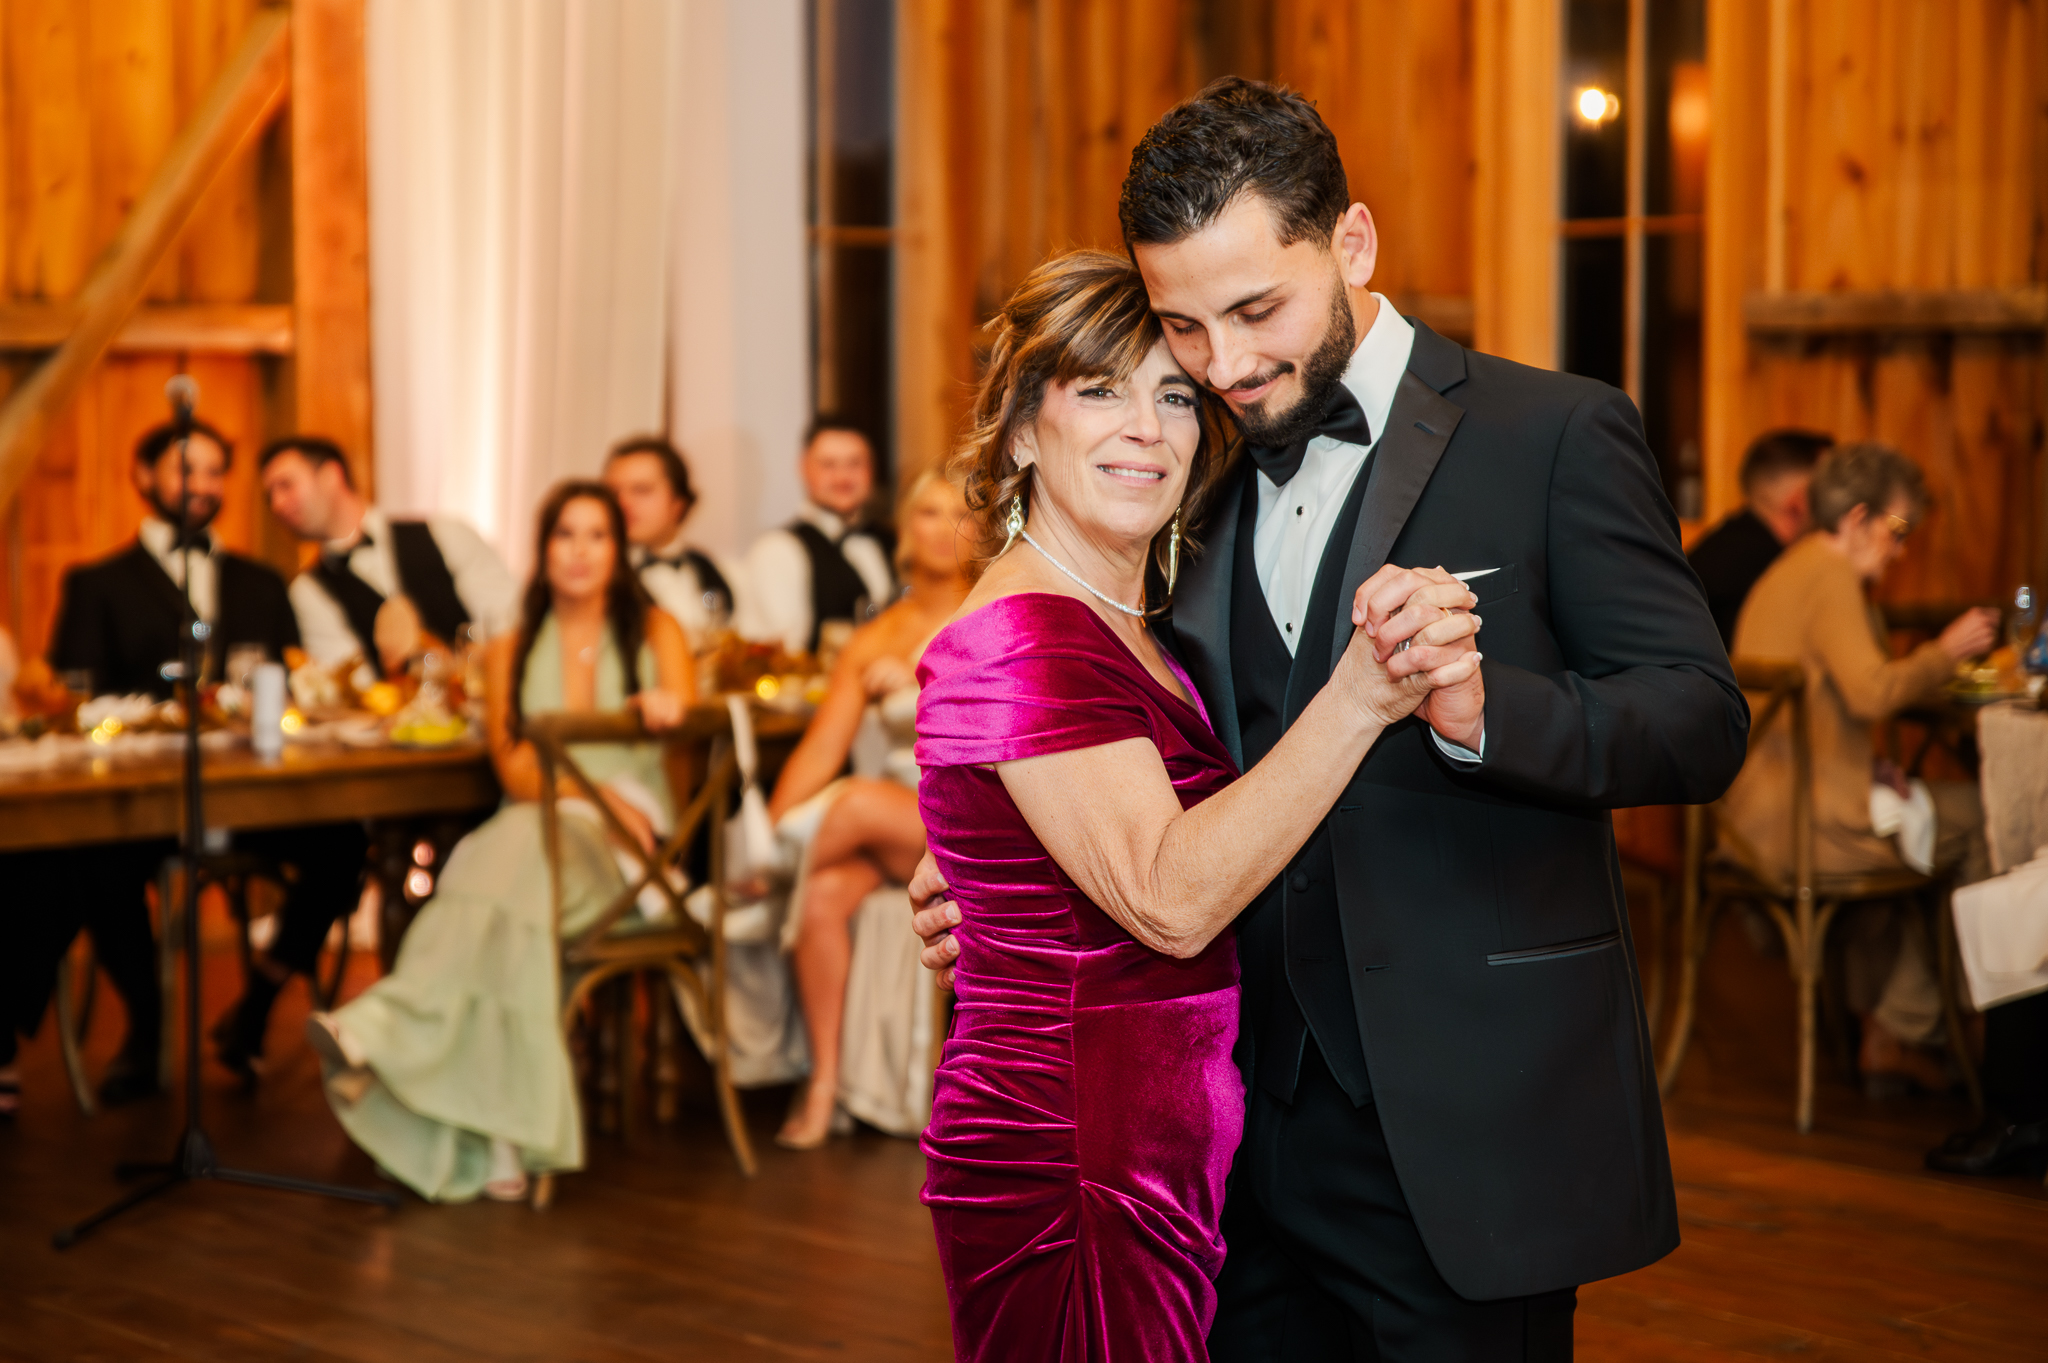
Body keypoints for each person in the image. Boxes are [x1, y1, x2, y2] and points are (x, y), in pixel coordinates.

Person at [917, 79, 1750, 1358]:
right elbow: (1134, 723)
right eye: (1184, 328)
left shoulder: (1553, 432)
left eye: (1257, 310)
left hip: (1466, 1128)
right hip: (1227, 1142)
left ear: (1350, 243)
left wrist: (1483, 712)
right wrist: (1013, 860)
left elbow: (1696, 720)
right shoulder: (1190, 470)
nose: (1225, 367)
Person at [911, 248, 1482, 1362]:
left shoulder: (1129, 616)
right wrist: (1360, 696)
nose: (1147, 428)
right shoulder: (1023, 632)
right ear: (1023, 427)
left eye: (1172, 394)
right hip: (1073, 1154)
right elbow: (1168, 901)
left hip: (1156, 1144)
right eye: (1098, 390)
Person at [305, 480, 694, 1202]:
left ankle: (384, 1027)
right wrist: (595, 791)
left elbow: (686, 729)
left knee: (496, 875)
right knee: (495, 891)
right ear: (542, 550)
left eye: (597, 535)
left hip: (628, 852)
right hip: (537, 824)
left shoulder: (657, 631)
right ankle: (504, 1134)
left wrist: (669, 711)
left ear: (619, 549)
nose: (579, 552)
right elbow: (517, 769)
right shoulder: (509, 646)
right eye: (563, 535)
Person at [46, 418, 314, 1100]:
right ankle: (147, 1018)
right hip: (146, 796)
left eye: (217, 471)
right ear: (145, 476)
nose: (203, 486)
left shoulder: (261, 581)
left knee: (344, 842)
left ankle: (258, 1001)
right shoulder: (96, 583)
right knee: (94, 857)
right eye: (186, 469)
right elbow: (76, 694)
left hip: (257, 790)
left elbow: (295, 680)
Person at [1722, 444, 1998, 1092]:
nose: (1900, 550)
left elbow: (1819, 709)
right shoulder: (1829, 574)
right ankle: (1940, 1027)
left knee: (1930, 820)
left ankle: (1896, 1027)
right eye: (1897, 530)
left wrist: (1869, 766)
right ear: (1856, 518)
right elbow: (1872, 692)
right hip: (1803, 827)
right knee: (1990, 816)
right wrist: (1944, 652)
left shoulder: (1794, 568)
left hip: (1755, 817)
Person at [766, 468, 972, 1149]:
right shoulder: (875, 633)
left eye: (957, 512)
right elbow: (820, 752)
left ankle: (757, 879)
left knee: (852, 806)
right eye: (927, 512)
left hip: (962, 809)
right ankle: (824, 1081)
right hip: (890, 826)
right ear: (907, 530)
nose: (941, 527)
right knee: (823, 893)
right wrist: (774, 815)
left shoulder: (991, 607)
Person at [259, 434, 518, 672]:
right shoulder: (308, 591)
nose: (277, 504)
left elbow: (510, 622)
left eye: (286, 485)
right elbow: (350, 685)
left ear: (330, 475)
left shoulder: (445, 533)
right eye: (269, 495)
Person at [745, 416, 897, 655]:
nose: (842, 477)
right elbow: (786, 655)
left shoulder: (895, 542)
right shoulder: (778, 550)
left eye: (855, 464)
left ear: (872, 469)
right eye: (828, 465)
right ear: (803, 467)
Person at [602, 434, 756, 640]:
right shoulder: (599, 576)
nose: (623, 503)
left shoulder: (710, 570)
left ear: (678, 503)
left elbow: (725, 629)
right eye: (613, 492)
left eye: (641, 490)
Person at [1688, 428, 1834, 646]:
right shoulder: (1767, 568)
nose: (1837, 504)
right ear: (1799, 501)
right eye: (1830, 490)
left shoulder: (1721, 545)